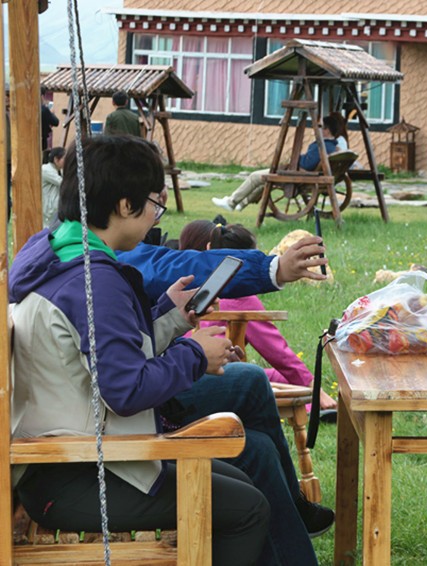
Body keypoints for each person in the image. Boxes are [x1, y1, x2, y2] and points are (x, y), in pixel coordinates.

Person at [10, 135, 270, 565]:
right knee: (247, 509)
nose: (155, 216)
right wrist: (195, 356)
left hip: (64, 463)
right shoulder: (95, 281)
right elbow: (126, 390)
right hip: (79, 473)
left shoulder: (56, 251)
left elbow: (93, 352)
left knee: (239, 482)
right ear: (125, 205)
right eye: (154, 204)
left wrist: (169, 316)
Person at [179, 219, 337, 411]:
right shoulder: (241, 297)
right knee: (264, 378)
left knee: (275, 376)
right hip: (212, 374)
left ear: (209, 248)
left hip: (181, 368)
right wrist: (316, 390)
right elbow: (278, 352)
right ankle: (318, 407)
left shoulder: (198, 287)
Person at [212, 116, 340, 212]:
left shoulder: (321, 146)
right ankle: (241, 203)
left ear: (327, 130)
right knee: (264, 182)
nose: (316, 130)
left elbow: (307, 163)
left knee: (254, 176)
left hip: (299, 174)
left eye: (320, 127)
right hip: (306, 173)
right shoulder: (332, 146)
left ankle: (231, 202)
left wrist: (296, 157)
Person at [41, 146, 64, 228]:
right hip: (49, 209)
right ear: (56, 159)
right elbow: (62, 183)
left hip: (55, 207)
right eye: (64, 158)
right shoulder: (46, 170)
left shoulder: (59, 170)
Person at [40, 86, 60, 161]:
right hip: (42, 141)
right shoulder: (44, 109)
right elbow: (56, 122)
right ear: (42, 96)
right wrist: (51, 113)